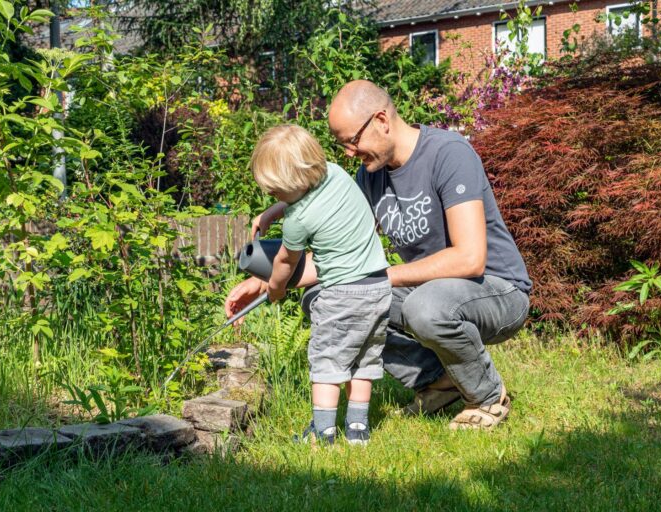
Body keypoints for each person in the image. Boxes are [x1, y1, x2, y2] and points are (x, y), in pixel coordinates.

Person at [226, 80, 531, 430]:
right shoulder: (370, 177)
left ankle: (487, 397)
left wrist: (382, 277)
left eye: (351, 141)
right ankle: (436, 381)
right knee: (326, 299)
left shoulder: (448, 153)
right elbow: (338, 263)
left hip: (497, 289)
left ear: (382, 120)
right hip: (429, 289)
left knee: (423, 307)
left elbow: (469, 259)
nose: (349, 153)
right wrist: (265, 282)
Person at [249, 124, 391, 445]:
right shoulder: (336, 173)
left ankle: (323, 433)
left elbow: (287, 262)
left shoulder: (298, 220)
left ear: (295, 184)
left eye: (276, 193)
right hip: (379, 286)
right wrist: (272, 212)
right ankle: (358, 429)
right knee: (364, 361)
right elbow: (303, 195)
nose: (274, 197)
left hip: (341, 294)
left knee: (327, 362)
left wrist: (275, 287)